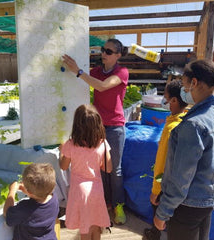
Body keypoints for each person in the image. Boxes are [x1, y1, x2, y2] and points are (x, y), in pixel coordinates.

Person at [153, 59, 214, 240]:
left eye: (184, 84)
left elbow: (181, 176)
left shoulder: (192, 125)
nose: (183, 90)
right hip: (208, 200)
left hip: (188, 205)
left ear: (194, 83)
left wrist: (163, 212)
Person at [62, 38, 129, 224]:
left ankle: (118, 205)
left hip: (115, 126)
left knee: (114, 168)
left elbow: (101, 86)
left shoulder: (122, 72)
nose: (104, 54)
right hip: (97, 126)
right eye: (103, 50)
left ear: (118, 55)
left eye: (109, 52)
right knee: (98, 167)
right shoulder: (97, 71)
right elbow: (85, 81)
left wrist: (78, 70)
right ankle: (105, 203)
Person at [59, 104, 113, 240]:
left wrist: (61, 152)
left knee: (85, 228)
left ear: (76, 125)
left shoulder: (70, 144)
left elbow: (63, 166)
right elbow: (109, 168)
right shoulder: (102, 143)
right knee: (96, 226)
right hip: (96, 190)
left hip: (80, 192)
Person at [143, 80, 188, 240]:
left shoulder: (170, 129)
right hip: (178, 186)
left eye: (167, 98)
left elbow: (162, 162)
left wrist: (155, 191)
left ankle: (154, 235)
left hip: (164, 186)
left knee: (159, 217)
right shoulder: (185, 121)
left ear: (174, 100)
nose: (165, 102)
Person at [3, 163, 59, 240]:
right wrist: (28, 191)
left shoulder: (26, 208)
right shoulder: (54, 198)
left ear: (29, 192)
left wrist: (12, 191)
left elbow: (7, 214)